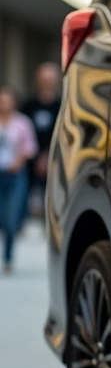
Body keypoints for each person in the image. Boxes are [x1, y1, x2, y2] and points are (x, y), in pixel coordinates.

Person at [0, 85, 38, 273]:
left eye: (7, 99)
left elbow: (30, 147)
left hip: (15, 174)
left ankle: (8, 256)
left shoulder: (22, 123)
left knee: (11, 216)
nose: (4, 103)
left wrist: (18, 161)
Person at [21, 62, 61, 222]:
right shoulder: (28, 105)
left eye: (50, 79)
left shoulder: (62, 105)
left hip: (54, 159)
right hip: (29, 161)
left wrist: (47, 155)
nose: (47, 82)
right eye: (44, 78)